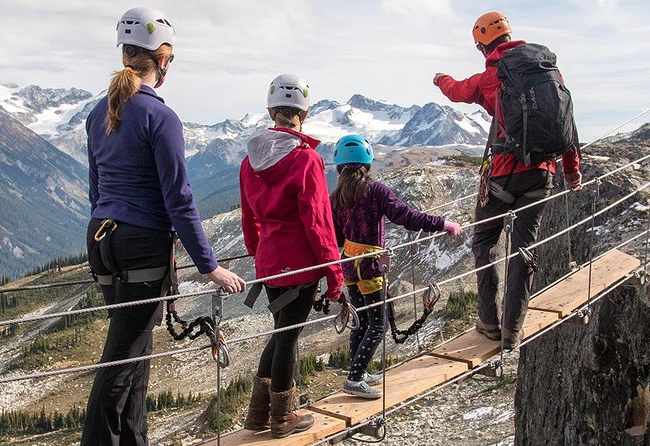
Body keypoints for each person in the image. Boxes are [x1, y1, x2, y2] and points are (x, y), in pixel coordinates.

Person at [82, 7, 245, 446]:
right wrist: (210, 266)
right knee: (121, 360)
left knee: (135, 351)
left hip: (102, 238)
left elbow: (96, 189)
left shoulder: (99, 112)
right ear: (164, 60)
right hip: (141, 243)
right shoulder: (161, 117)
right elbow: (179, 199)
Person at [433, 12, 582, 350]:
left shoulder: (491, 75)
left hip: (502, 175)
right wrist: (572, 170)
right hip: (542, 174)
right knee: (524, 250)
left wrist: (440, 79)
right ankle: (513, 329)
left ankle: (488, 320)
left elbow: (456, 91)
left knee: (484, 243)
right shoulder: (549, 72)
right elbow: (567, 123)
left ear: (482, 45)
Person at [239, 74, 344, 438]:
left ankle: (257, 413)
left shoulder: (249, 161)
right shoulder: (306, 160)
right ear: (305, 113)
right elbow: (318, 222)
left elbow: (247, 218)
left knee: (281, 331)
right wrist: (334, 273)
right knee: (288, 336)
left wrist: (259, 255)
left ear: (271, 111)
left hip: (270, 259)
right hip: (301, 262)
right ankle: (283, 417)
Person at [330, 134, 462, 399]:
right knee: (378, 325)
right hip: (370, 267)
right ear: (367, 164)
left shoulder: (335, 197)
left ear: (339, 166)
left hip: (348, 265)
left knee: (361, 321)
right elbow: (407, 216)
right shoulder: (375, 190)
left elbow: (335, 237)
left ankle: (360, 371)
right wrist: (442, 223)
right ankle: (355, 378)